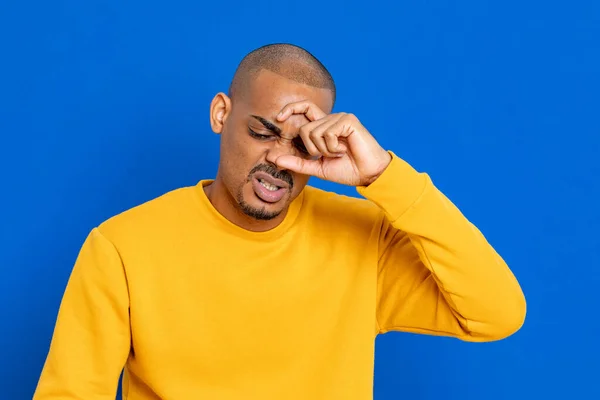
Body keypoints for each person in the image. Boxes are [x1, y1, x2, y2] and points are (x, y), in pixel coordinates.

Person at [33, 43, 526, 400]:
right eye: (262, 131)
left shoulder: (362, 239)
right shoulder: (122, 246)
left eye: (301, 143)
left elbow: (498, 313)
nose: (278, 160)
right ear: (220, 113)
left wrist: (383, 176)